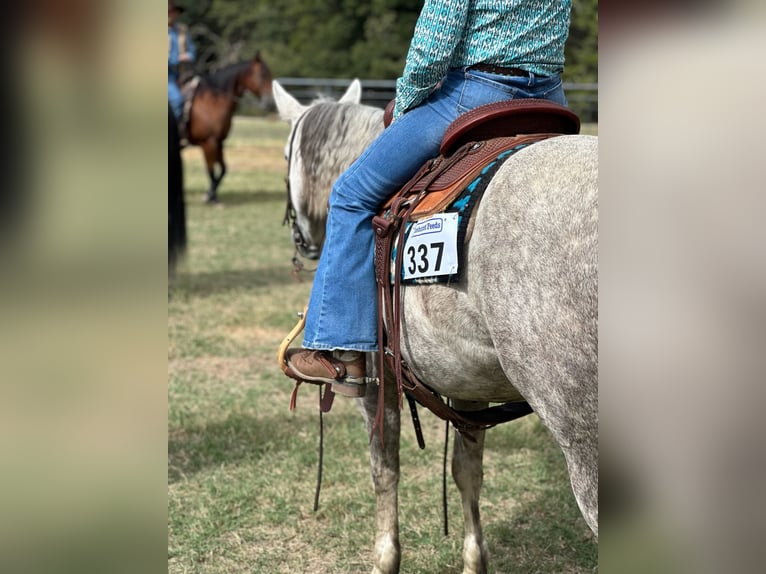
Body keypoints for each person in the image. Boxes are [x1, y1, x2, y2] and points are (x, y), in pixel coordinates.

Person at [284, 0, 572, 397]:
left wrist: (404, 106)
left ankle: (342, 352)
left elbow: (432, 48)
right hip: (550, 98)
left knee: (351, 194)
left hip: (477, 93)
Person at [168, 2, 196, 123]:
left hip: (183, 73)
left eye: (172, 11)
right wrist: (176, 59)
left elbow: (192, 52)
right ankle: (175, 131)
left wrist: (188, 56)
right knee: (177, 100)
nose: (169, 14)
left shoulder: (182, 31)